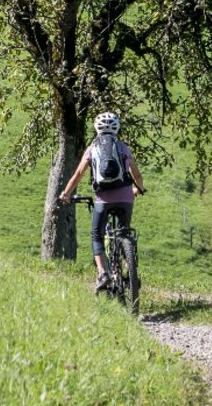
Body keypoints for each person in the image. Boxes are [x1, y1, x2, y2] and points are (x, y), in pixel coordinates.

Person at [56, 111, 147, 290]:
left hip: (103, 200)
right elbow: (136, 174)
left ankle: (103, 274)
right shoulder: (122, 147)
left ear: (96, 128)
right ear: (117, 128)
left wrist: (65, 194)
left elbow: (78, 174)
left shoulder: (92, 148)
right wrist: (139, 189)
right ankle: (130, 269)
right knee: (125, 233)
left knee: (96, 235)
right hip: (126, 199)